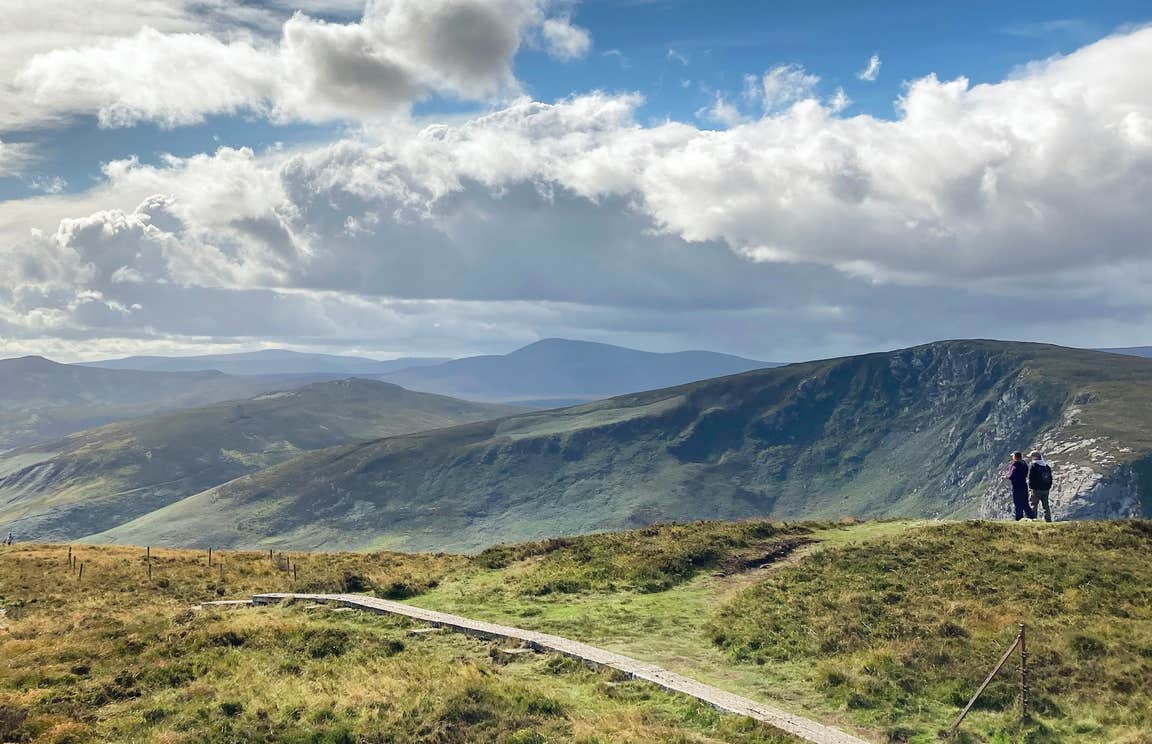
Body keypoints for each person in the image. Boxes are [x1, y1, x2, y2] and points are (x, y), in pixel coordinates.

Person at [1005, 451, 1035, 521]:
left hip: (1017, 487)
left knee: (1018, 504)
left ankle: (1019, 519)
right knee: (1025, 503)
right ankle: (1032, 517)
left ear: (1015, 457)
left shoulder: (1015, 465)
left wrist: (1006, 476)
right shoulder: (1024, 464)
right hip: (1024, 485)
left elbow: (1011, 475)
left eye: (1013, 456)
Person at [1028, 451, 1054, 523]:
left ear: (1035, 457)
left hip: (1036, 489)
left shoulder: (1034, 465)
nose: (1031, 458)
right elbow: (1050, 478)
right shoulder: (1046, 466)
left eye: (1032, 456)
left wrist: (1031, 487)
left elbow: (1031, 478)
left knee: (1034, 504)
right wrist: (1048, 487)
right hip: (1046, 489)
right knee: (1046, 505)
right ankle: (1048, 519)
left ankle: (1033, 519)